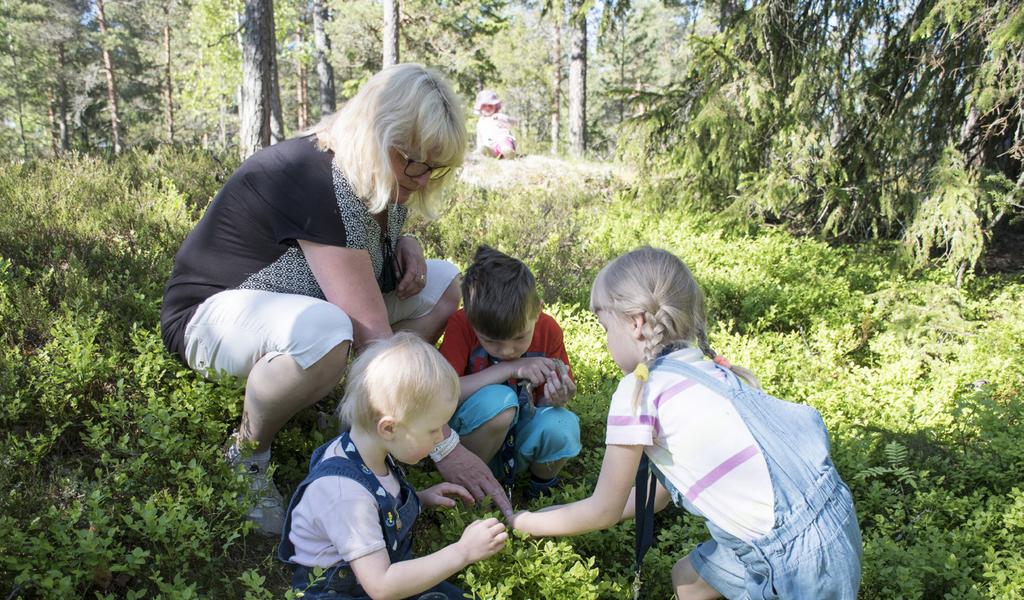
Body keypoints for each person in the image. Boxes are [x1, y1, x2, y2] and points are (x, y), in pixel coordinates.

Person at [160, 63, 512, 536]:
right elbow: (373, 338)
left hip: (301, 303)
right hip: (214, 316)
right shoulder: (310, 175)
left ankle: (356, 416)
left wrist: (406, 245)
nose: (423, 179)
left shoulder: (383, 171)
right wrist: (446, 447)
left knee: (445, 285)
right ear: (376, 132)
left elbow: (360, 250)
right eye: (414, 161)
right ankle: (247, 455)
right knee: (330, 334)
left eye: (436, 167)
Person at [511, 247, 862, 600]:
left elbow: (604, 509)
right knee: (689, 578)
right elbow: (656, 498)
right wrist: (553, 512)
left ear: (636, 324)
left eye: (605, 328)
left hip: (790, 561)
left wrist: (525, 522)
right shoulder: (704, 369)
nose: (606, 342)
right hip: (834, 523)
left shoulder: (638, 390)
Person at [279, 333, 508, 599]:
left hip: (372, 573)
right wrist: (462, 552)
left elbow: (377, 507)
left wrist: (420, 499)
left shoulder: (367, 451)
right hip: (347, 590)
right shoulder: (346, 496)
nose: (440, 438)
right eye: (433, 430)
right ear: (389, 428)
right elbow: (381, 586)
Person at [438, 246, 580, 499]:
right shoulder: (461, 325)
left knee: (562, 423)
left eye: (519, 338)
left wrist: (557, 396)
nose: (507, 350)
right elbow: (442, 393)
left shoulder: (548, 330)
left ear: (538, 310)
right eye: (491, 342)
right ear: (471, 319)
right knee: (499, 401)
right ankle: (474, 484)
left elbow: (549, 399)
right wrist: (510, 368)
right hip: (471, 441)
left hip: (521, 439)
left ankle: (540, 490)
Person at [473, 90, 517, 159]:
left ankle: (508, 153)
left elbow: (514, 122)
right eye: (484, 106)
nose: (487, 108)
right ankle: (488, 153)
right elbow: (479, 138)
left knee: (505, 145)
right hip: (491, 145)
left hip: (503, 140)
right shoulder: (480, 123)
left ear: (495, 106)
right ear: (480, 108)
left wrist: (504, 119)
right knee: (485, 148)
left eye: (490, 106)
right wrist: (479, 147)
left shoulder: (499, 116)